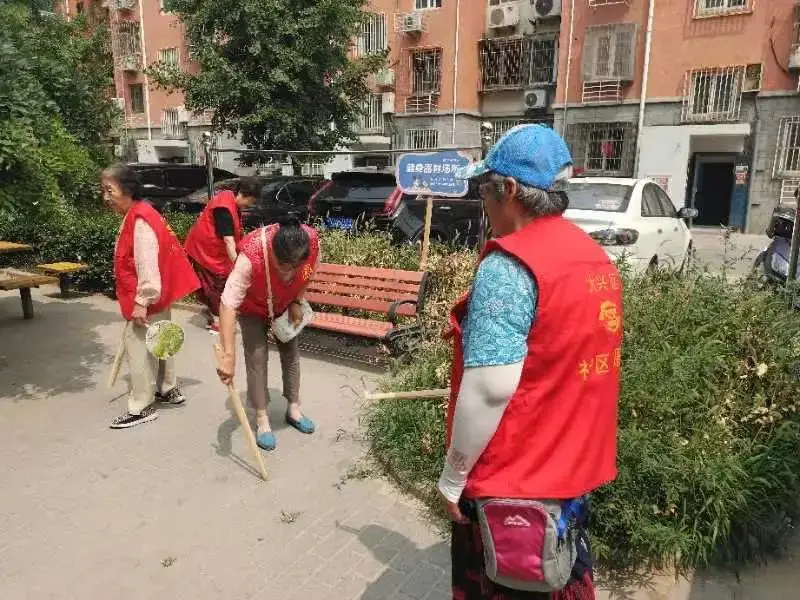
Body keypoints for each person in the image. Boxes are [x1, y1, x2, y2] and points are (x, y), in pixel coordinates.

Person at [439, 125, 623, 599]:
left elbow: (490, 389)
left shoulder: (509, 266)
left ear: (511, 191)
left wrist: (454, 477)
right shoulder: (593, 257)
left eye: (484, 189)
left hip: (519, 478)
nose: (482, 201)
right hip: (571, 466)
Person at [102, 164, 200, 429]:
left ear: (127, 189)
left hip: (148, 296)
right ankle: (168, 388)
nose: (105, 197)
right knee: (161, 339)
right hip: (160, 294)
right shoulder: (143, 212)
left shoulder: (140, 219)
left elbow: (147, 263)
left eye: (109, 190)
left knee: (139, 349)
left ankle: (141, 406)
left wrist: (140, 302)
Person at [215, 217, 320, 451]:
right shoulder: (251, 255)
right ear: (272, 251)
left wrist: (296, 300)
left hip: (283, 304)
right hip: (253, 306)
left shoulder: (311, 243)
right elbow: (228, 304)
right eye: (283, 265)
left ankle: (294, 409)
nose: (288, 272)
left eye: (294, 266)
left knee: (291, 353)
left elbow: (309, 274)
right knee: (256, 357)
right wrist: (228, 355)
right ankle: (262, 419)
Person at [184, 178, 261, 333]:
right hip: (206, 251)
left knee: (216, 284)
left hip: (212, 250)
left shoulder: (229, 197)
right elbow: (228, 240)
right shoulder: (224, 208)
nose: (249, 206)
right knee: (217, 286)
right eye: (249, 201)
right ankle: (218, 322)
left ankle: (212, 313)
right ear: (242, 194)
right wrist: (239, 266)